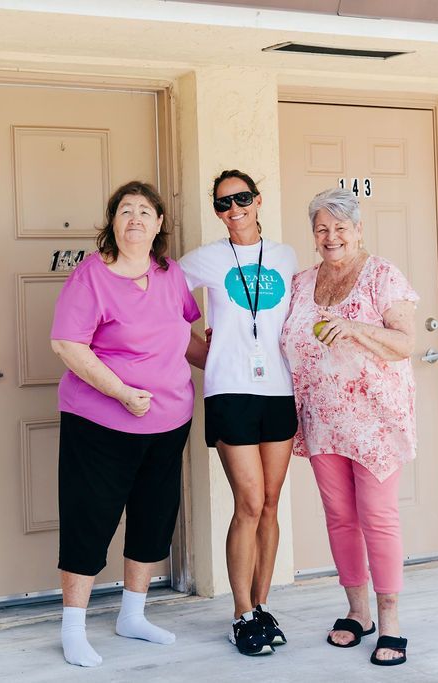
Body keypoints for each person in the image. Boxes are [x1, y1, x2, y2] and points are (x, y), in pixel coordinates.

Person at [50, 180, 200, 668]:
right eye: (125, 211)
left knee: (154, 515)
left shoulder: (171, 273)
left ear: (159, 224)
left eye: (145, 211)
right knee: (89, 518)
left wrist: (234, 362)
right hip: (100, 422)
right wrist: (121, 392)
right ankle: (73, 628)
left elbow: (188, 337)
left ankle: (132, 615)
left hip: (169, 420)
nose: (135, 218)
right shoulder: (90, 277)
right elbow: (68, 345)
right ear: (112, 222)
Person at [280, 187, 418, 667]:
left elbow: (405, 343)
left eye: (340, 227)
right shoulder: (300, 282)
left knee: (378, 518)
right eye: (322, 228)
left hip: (375, 421)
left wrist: (357, 329)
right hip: (321, 419)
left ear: (358, 230)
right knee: (339, 518)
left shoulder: (382, 275)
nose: (331, 236)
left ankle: (391, 619)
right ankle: (358, 612)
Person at [180, 170, 299, 657]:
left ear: (258, 200)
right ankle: (241, 613)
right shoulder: (204, 259)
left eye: (242, 199)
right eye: (224, 203)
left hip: (279, 389)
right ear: (216, 210)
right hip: (230, 391)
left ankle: (262, 606)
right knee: (248, 502)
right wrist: (203, 355)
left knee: (270, 502)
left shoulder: (287, 256)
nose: (235, 209)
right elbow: (164, 310)